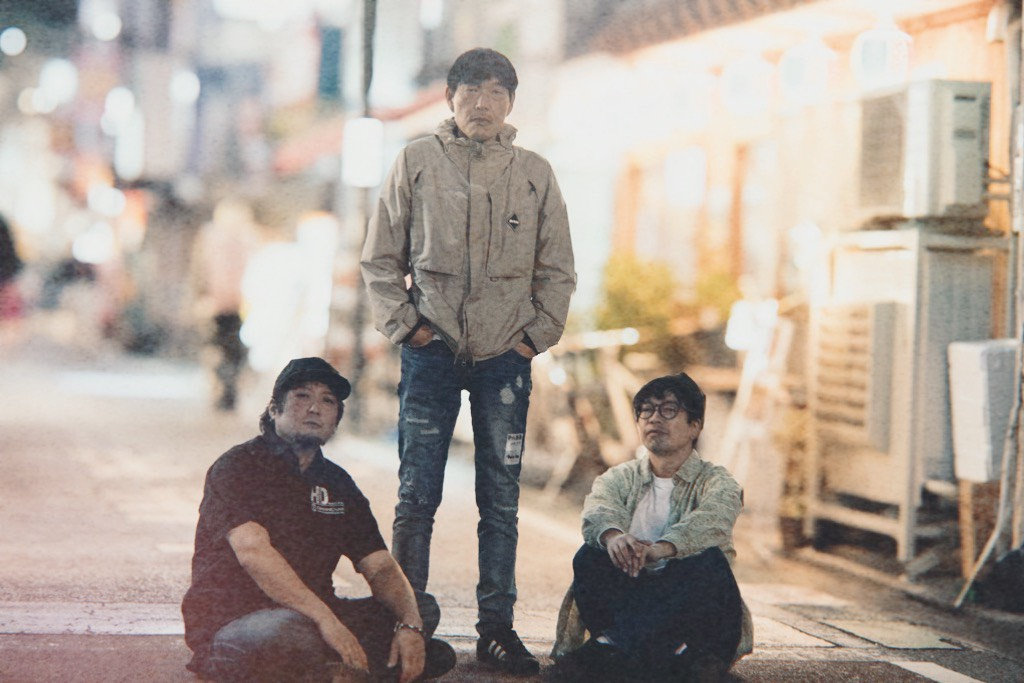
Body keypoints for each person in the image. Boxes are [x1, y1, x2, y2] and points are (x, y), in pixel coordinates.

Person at [360, 47, 576, 676]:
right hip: (431, 353)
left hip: (504, 357)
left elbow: (557, 268)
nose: (483, 103)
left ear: (511, 103)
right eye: (472, 91)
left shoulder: (534, 173)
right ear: (449, 98)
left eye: (497, 93)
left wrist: (533, 338)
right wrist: (409, 328)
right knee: (416, 493)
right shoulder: (417, 161)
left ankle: (497, 629)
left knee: (501, 499)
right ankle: (407, 622)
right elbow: (380, 258)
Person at [181, 357, 456, 682]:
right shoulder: (238, 466)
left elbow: (380, 566)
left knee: (421, 607)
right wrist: (328, 622)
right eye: (302, 396)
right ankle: (361, 668)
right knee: (288, 631)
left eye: (328, 401)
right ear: (274, 409)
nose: (315, 408)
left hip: (317, 615)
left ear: (336, 420)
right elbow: (253, 552)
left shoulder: (337, 482)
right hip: (240, 619)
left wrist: (409, 624)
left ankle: (334, 670)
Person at [551, 373, 752, 682]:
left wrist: (661, 549)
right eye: (646, 410)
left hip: (692, 617)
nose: (655, 418)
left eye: (668, 410)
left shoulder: (718, 481)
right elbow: (598, 510)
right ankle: (653, 658)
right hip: (632, 598)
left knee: (708, 561)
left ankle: (616, 648)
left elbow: (713, 520)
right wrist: (615, 538)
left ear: (695, 426)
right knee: (590, 554)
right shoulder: (619, 477)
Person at [189, 198, 260, 411]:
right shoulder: (240, 237)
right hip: (228, 304)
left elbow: (199, 270)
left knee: (226, 348)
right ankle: (225, 387)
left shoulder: (239, 238)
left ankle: (226, 387)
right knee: (225, 347)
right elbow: (200, 271)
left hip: (233, 304)